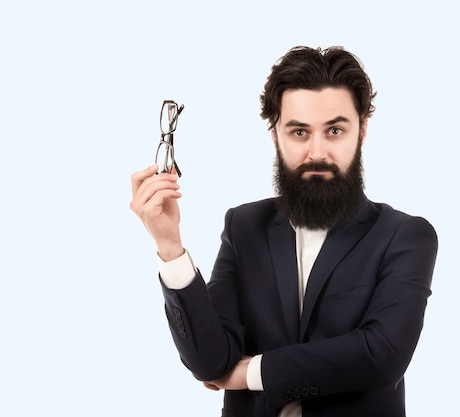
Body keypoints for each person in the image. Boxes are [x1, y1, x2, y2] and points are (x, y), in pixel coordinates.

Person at [130, 45, 438, 417]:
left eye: (336, 130)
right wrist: (170, 246)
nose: (317, 152)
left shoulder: (404, 236)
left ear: (363, 131)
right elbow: (210, 363)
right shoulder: (243, 227)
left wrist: (253, 372)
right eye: (299, 132)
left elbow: (382, 355)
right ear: (276, 134)